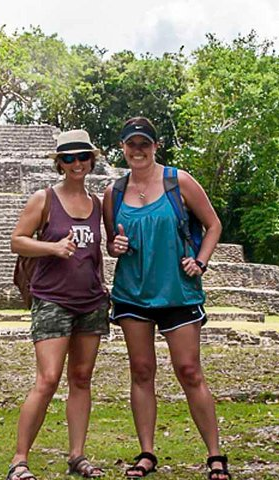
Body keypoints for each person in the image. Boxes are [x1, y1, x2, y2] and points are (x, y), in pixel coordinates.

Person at [103, 117, 231, 480]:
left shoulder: (179, 181)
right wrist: (115, 245)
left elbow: (213, 224)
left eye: (144, 143)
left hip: (177, 290)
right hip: (132, 293)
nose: (138, 150)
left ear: (155, 146)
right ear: (123, 148)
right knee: (142, 371)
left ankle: (215, 454)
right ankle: (146, 453)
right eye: (132, 144)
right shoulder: (113, 193)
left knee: (189, 371)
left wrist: (201, 261)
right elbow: (113, 244)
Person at [7, 129, 110, 480]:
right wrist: (51, 248)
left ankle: (77, 455)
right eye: (69, 158)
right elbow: (17, 241)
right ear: (59, 163)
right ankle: (19, 460)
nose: (77, 163)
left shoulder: (97, 204)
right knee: (48, 379)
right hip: (52, 299)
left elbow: (102, 249)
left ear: (91, 161)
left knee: (81, 378)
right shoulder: (44, 198)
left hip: (91, 301)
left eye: (83, 157)